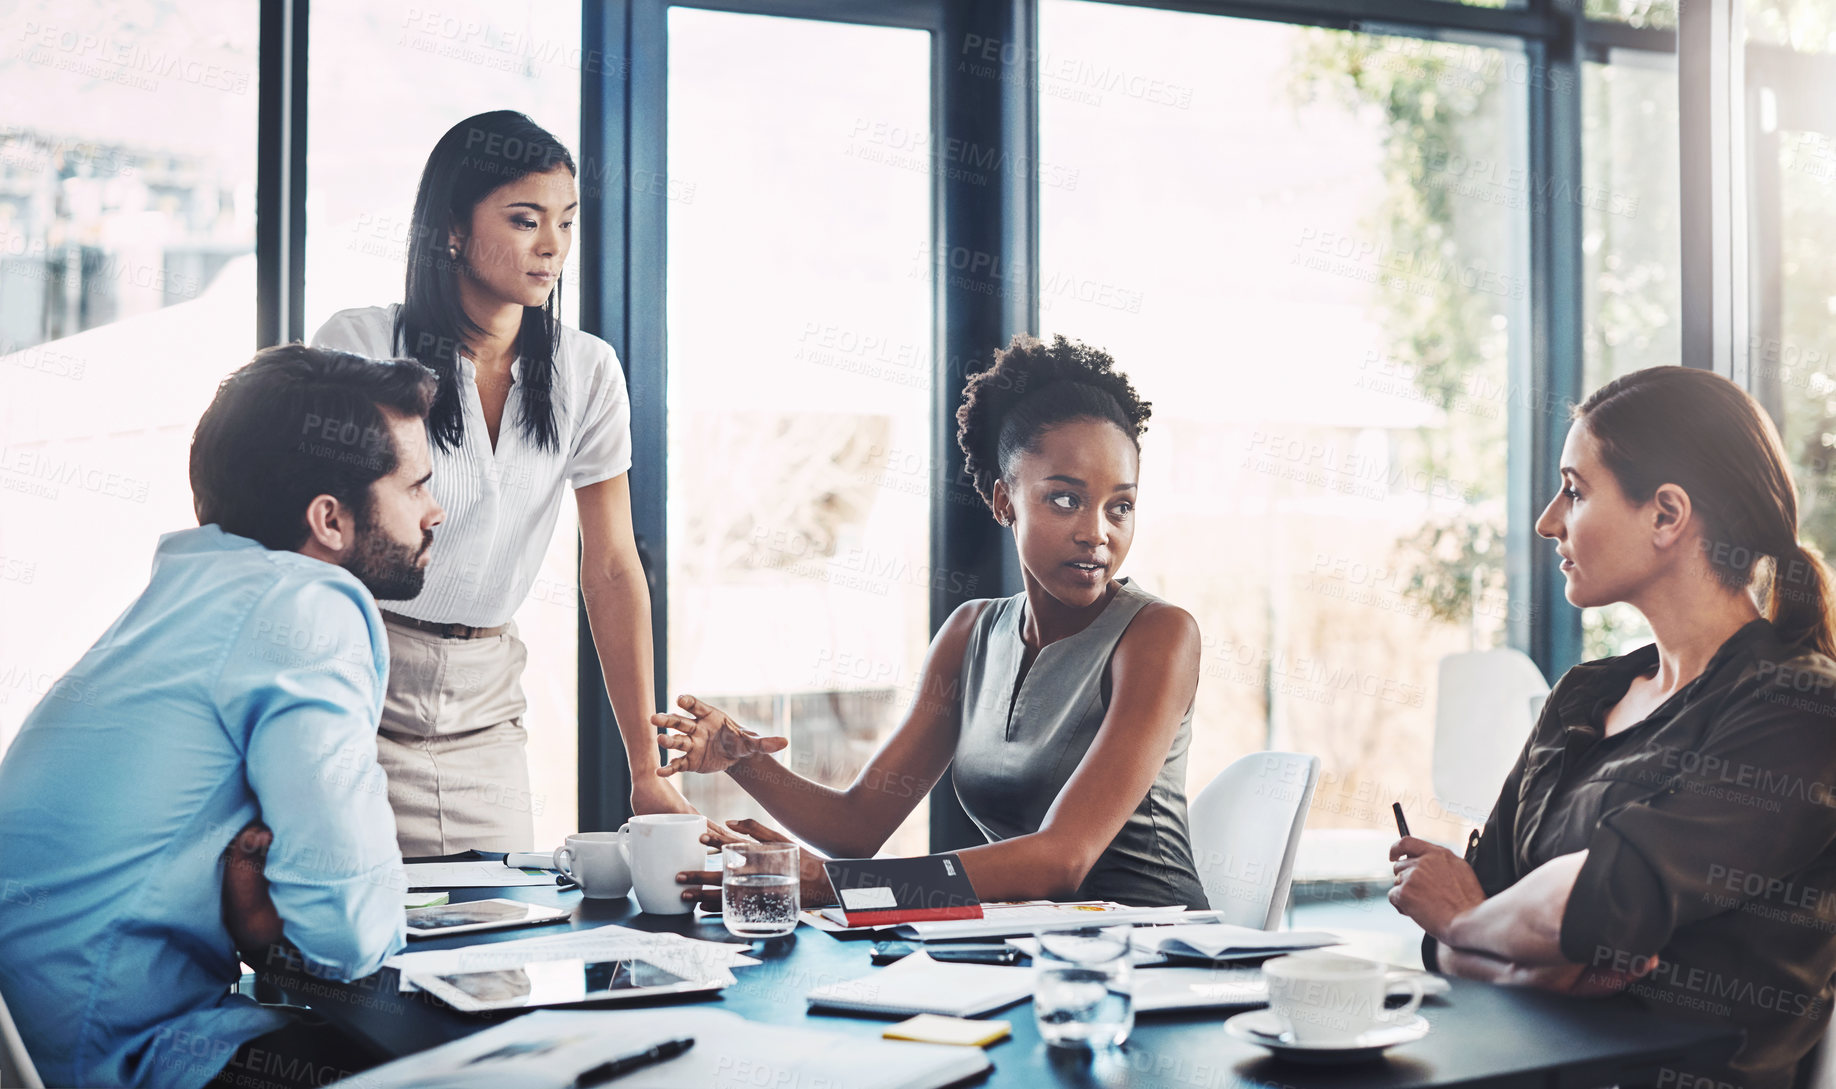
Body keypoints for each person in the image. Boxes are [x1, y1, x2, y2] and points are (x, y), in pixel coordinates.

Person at [0, 345, 444, 1089]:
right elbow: (349, 929)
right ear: (329, 519)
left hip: (42, 1036)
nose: (435, 512)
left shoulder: (193, 593)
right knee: (476, 1064)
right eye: (416, 486)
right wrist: (275, 932)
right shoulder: (304, 606)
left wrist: (269, 930)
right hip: (118, 1053)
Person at [1388, 366, 1836, 1089]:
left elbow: (1598, 896)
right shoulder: (1583, 695)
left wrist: (1459, 924)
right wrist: (1498, 936)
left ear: (1667, 515)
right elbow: (1502, 897)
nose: (1548, 520)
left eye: (1575, 489)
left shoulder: (1800, 708)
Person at [656, 335, 1207, 910]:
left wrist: (843, 888)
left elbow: (1060, 861)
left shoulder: (1158, 636)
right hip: (1028, 947)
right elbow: (858, 825)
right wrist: (743, 759)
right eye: (1065, 500)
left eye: (1120, 506)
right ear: (1004, 501)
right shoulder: (971, 635)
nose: (1098, 532)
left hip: (1156, 956)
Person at [311, 109, 690, 856]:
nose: (552, 247)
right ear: (452, 228)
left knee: (496, 956)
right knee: (364, 952)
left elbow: (612, 566)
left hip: (485, 711)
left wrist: (645, 767)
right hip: (355, 695)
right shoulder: (359, 345)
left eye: (566, 222)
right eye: (525, 220)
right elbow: (302, 542)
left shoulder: (586, 370)